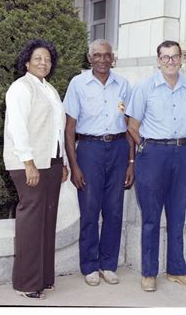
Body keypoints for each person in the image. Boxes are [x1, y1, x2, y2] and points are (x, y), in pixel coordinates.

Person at [126, 40, 186, 292]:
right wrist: (147, 148)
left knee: (177, 215)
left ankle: (177, 269)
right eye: (165, 57)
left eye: (174, 57)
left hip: (183, 153)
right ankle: (149, 272)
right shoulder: (145, 88)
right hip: (153, 155)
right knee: (150, 216)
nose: (170, 61)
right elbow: (132, 126)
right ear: (158, 60)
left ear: (181, 58)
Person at [63, 39, 135, 286]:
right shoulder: (78, 84)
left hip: (118, 148)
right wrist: (74, 165)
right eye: (97, 55)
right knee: (90, 210)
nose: (102, 60)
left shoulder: (123, 85)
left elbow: (129, 126)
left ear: (112, 58)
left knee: (114, 210)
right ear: (89, 57)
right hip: (90, 149)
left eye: (107, 55)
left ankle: (108, 264)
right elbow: (69, 129)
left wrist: (131, 161)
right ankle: (90, 265)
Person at [3, 39, 68, 299]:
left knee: (47, 219)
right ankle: (27, 283)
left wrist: (60, 161)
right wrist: (28, 163)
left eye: (48, 59)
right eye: (38, 58)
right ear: (27, 62)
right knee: (31, 221)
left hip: (50, 161)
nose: (44, 63)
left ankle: (44, 277)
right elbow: (17, 128)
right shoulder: (21, 88)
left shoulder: (49, 89)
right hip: (28, 163)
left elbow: (56, 129)